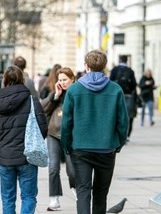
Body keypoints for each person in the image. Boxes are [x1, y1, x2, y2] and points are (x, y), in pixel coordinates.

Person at [61, 50, 128, 214]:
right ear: (104, 66)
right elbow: (123, 122)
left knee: (83, 190)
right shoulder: (115, 89)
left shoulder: (74, 90)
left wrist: (66, 145)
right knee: (100, 193)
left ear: (86, 66)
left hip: (81, 148)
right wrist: (118, 143)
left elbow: (66, 122)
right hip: (106, 148)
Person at [0, 65, 48, 214]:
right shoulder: (31, 100)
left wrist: (2, 144)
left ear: (4, 80)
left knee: (7, 198)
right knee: (29, 196)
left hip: (5, 157)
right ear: (22, 79)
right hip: (28, 156)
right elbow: (43, 128)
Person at [41, 67, 76, 211]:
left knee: (72, 170)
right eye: (60, 80)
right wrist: (55, 95)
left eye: (65, 80)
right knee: (53, 167)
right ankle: (54, 199)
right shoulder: (56, 93)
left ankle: (77, 190)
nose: (62, 82)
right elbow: (43, 109)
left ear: (72, 79)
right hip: (53, 134)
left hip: (71, 136)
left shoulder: (77, 93)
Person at [109, 55, 137, 141]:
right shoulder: (130, 71)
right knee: (129, 115)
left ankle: (116, 133)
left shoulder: (115, 70)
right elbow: (134, 84)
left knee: (115, 114)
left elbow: (110, 82)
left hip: (115, 96)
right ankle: (127, 134)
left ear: (119, 60)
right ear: (126, 61)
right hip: (128, 96)